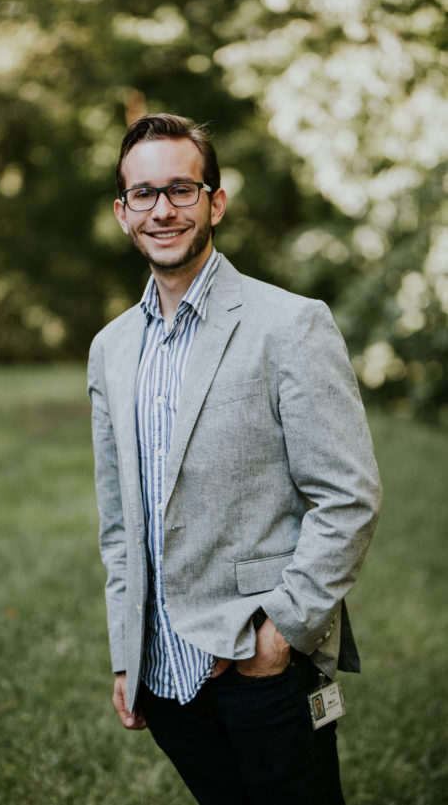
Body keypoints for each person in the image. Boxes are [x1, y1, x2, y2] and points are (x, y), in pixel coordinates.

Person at [87, 113, 382, 805]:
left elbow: (349, 496)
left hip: (261, 666)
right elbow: (118, 522)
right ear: (123, 212)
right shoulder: (112, 347)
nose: (163, 209)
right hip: (162, 675)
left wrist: (280, 633)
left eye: (182, 189)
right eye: (144, 193)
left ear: (215, 201)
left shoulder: (289, 324)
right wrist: (126, 653)